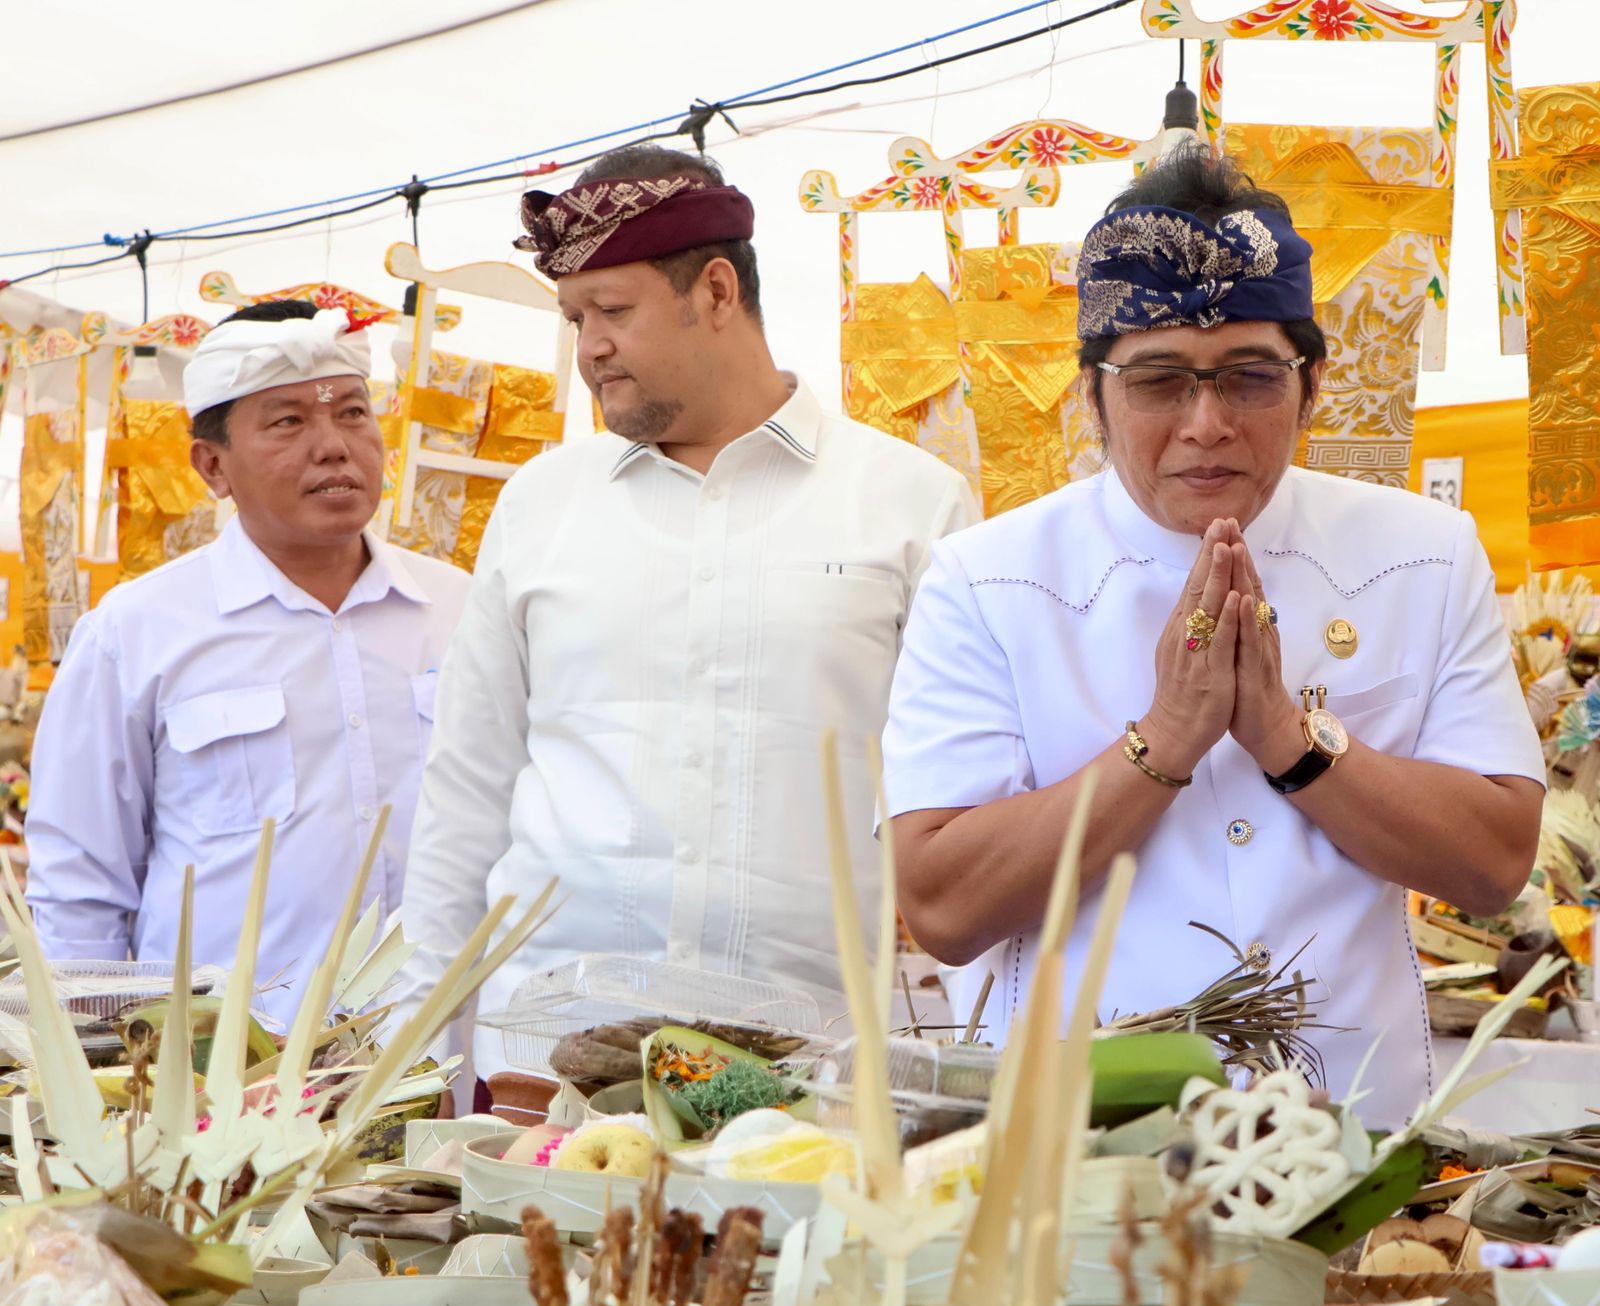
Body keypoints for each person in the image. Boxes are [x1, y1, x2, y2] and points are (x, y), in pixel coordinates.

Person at [881, 149, 1543, 1127]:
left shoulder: (1423, 555)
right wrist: (1164, 742)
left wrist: (1289, 738)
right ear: (1093, 395)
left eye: (1249, 378)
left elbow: (1493, 863)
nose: (1206, 423)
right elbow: (942, 908)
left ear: (1311, 385)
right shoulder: (989, 582)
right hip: (1079, 1149)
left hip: (1356, 1137)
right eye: (1159, 382)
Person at [400, 145, 977, 1084]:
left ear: (715, 291)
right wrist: (414, 1058)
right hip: (543, 1061)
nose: (588, 347)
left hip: (802, 1070)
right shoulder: (541, 503)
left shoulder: (912, 504)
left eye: (612, 310)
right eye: (575, 318)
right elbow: (465, 792)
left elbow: (962, 803)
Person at [27, 301, 470, 1013]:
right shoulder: (136, 632)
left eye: (353, 413)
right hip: (225, 1063)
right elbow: (79, 888)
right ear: (212, 466)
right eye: (288, 421)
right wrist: (98, 1057)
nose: (334, 446)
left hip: (439, 1048)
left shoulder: (461, 610)